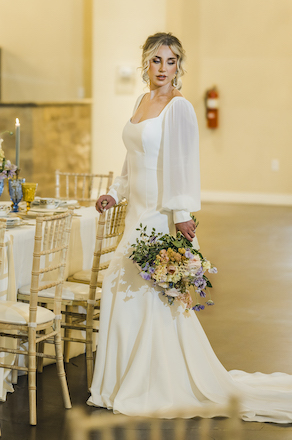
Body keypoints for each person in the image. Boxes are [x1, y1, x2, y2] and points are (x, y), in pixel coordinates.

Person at [87, 32, 292, 423]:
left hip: (160, 215)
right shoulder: (142, 100)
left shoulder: (179, 107)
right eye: (156, 61)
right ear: (145, 63)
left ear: (179, 66)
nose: (163, 69)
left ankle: (153, 383)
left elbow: (183, 164)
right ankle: (116, 383)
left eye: (171, 61)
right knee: (120, 289)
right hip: (135, 213)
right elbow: (132, 158)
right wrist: (115, 192)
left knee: (148, 295)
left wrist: (181, 214)